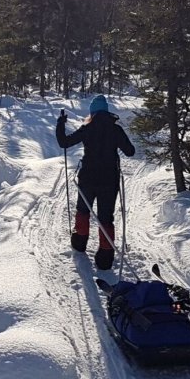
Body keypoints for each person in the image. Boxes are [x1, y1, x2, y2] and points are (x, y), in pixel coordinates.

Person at [56, 95, 136, 270]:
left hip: (88, 178)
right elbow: (130, 151)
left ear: (92, 112)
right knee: (105, 217)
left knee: (83, 210)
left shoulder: (88, 128)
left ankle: (79, 242)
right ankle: (105, 258)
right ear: (106, 112)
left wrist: (60, 124)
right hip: (109, 180)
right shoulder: (116, 129)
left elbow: (64, 143)